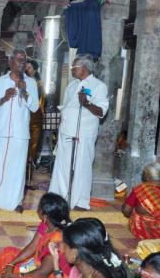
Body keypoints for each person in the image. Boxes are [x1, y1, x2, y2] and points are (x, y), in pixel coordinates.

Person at [48, 54, 108, 210]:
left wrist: (87, 104)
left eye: (74, 67)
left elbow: (101, 111)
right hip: (65, 132)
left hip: (84, 134)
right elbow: (66, 106)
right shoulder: (72, 85)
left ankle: (81, 202)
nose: (72, 70)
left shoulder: (98, 86)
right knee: (62, 166)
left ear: (84, 68)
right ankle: (59, 197)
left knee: (82, 167)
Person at [0, 49, 39, 211]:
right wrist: (4, 98)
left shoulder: (31, 83)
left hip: (20, 133)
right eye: (18, 59)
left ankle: (15, 202)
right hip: (2, 132)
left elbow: (35, 107)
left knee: (17, 169)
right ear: (10, 62)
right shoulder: (0, 82)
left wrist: (25, 91)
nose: (21, 63)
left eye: (23, 60)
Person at [0, 193, 72, 278]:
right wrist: (11, 264)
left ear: (45, 215)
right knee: (7, 254)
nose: (37, 209)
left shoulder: (57, 239)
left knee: (12, 272)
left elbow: (42, 273)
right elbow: (33, 246)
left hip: (50, 274)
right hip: (36, 263)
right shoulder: (45, 224)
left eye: (39, 207)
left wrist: (17, 276)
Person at [50, 218, 127, 278]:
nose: (61, 249)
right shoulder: (82, 269)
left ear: (75, 253)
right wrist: (55, 262)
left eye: (64, 245)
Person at [122, 162, 160, 240]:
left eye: (143, 174)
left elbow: (126, 210)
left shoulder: (141, 189)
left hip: (148, 228)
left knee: (136, 213)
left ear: (147, 177)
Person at [26, 59, 45, 167]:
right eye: (25, 68)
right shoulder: (23, 82)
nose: (27, 70)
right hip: (25, 116)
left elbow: (38, 101)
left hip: (36, 116)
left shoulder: (38, 83)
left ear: (34, 70)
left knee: (34, 142)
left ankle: (31, 161)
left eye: (29, 68)